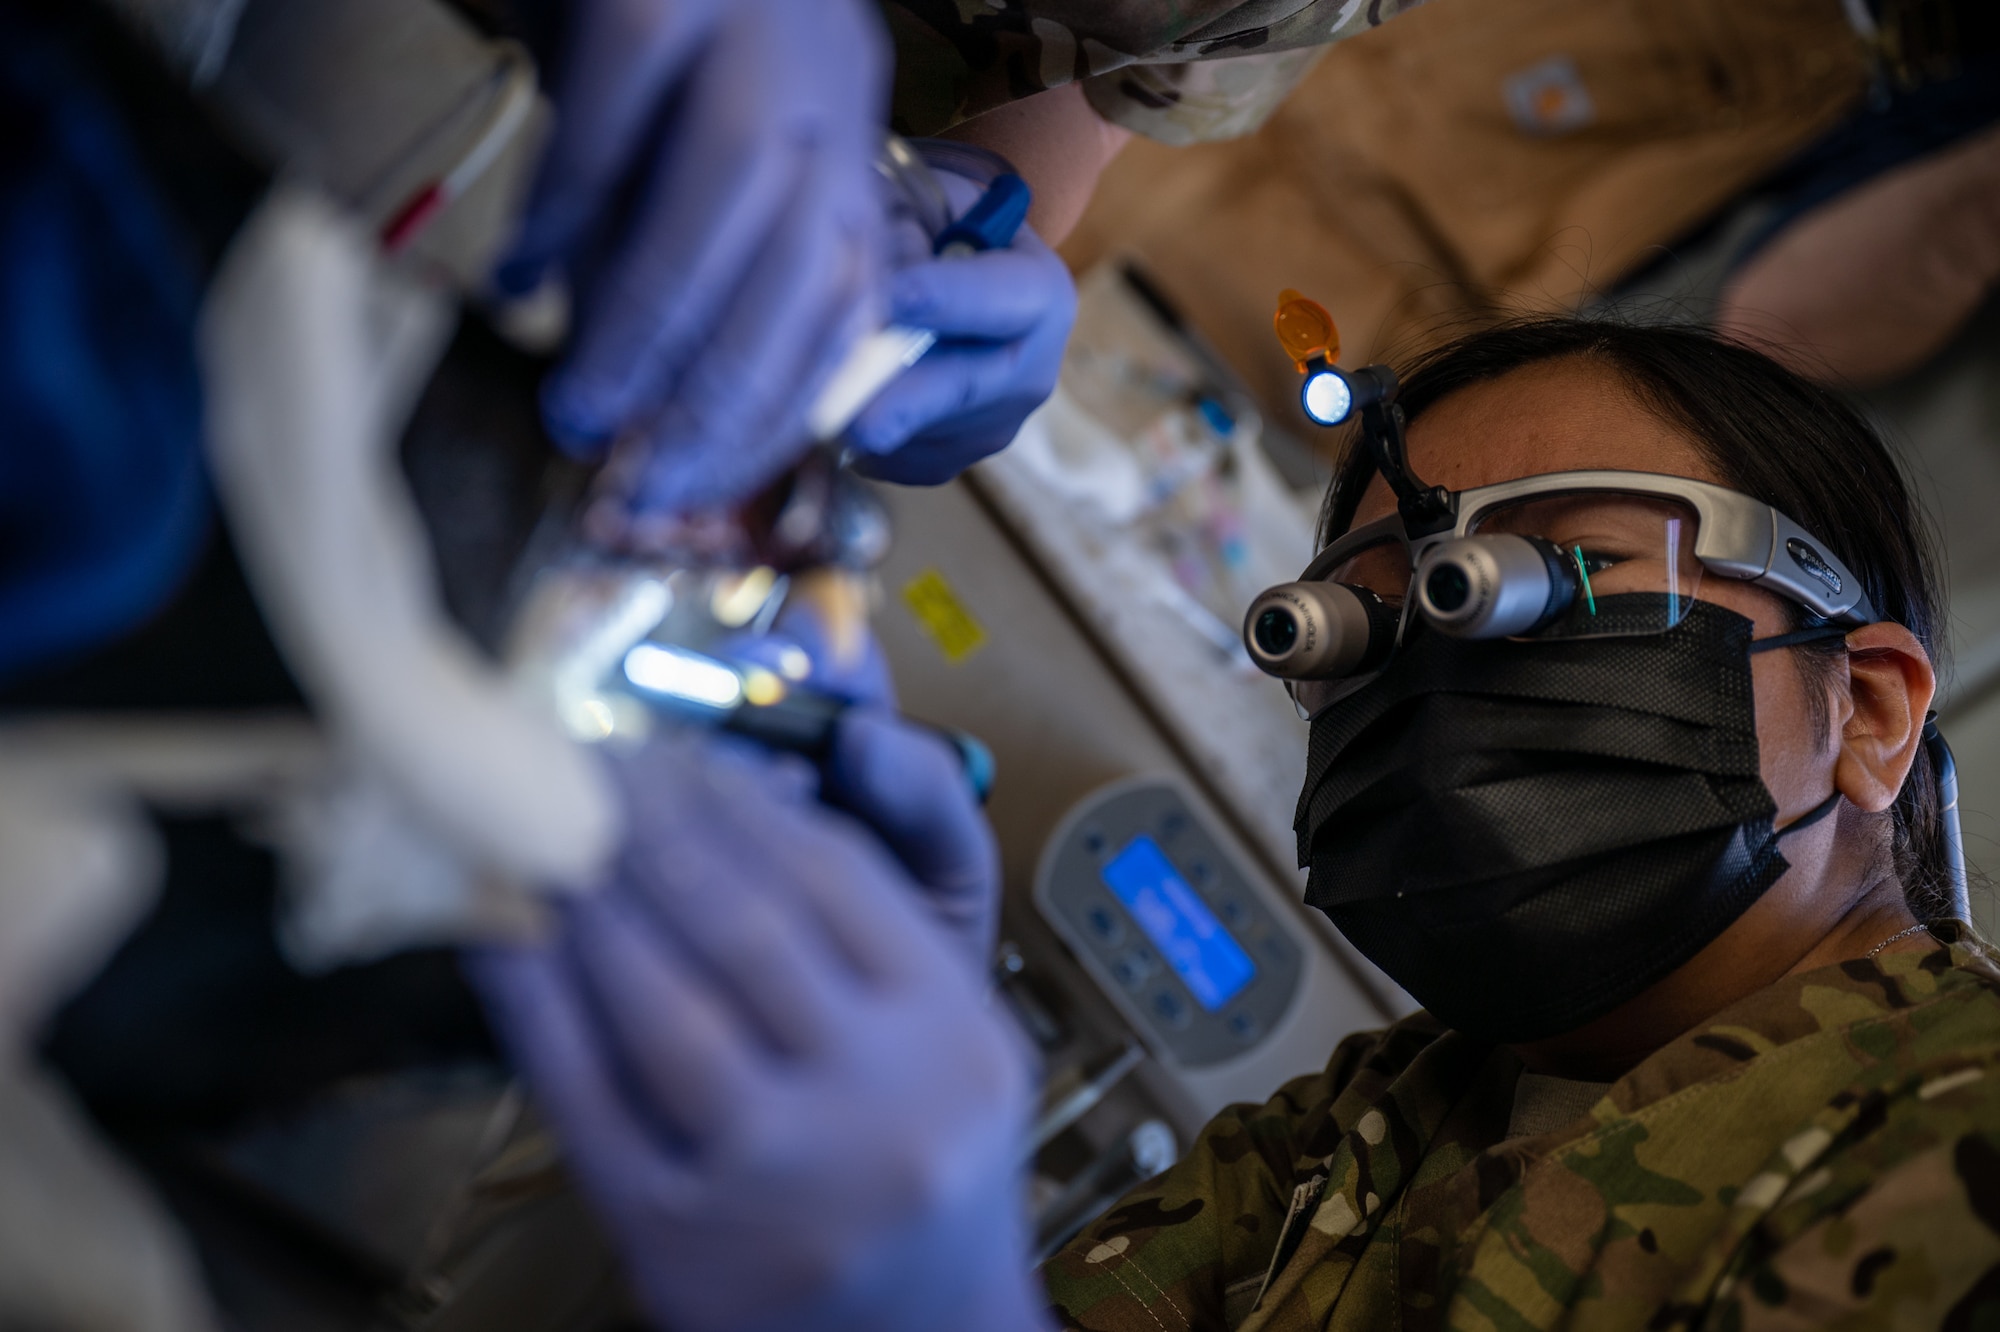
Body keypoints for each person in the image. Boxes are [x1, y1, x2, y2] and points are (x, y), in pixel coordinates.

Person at [482, 316, 2000, 1331]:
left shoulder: (1952, 1150)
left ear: (1866, 708)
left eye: (1563, 577)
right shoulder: (1372, 1123)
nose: (1442, 682)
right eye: (1364, 628)